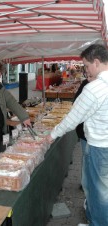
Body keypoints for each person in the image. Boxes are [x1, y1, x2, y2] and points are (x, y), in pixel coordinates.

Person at [46, 44, 108, 226]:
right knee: (99, 189)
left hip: (99, 147)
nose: (86, 70)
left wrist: (51, 135)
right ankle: (93, 218)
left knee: (99, 192)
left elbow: (72, 119)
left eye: (87, 66)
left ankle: (97, 222)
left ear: (96, 63)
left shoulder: (94, 89)